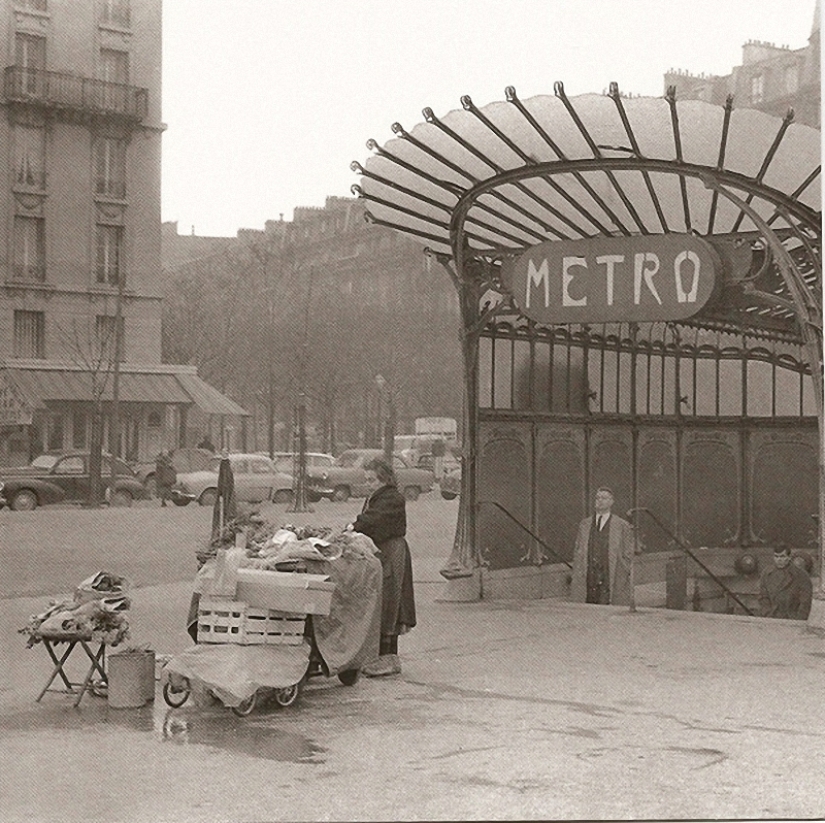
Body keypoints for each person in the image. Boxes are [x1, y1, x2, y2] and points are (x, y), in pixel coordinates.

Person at [351, 457, 416, 677]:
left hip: (391, 552)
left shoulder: (392, 498)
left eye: (372, 480)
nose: (368, 483)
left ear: (384, 479)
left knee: (391, 601)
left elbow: (373, 521)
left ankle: (388, 658)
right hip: (381, 551)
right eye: (367, 479)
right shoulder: (378, 496)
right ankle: (379, 657)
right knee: (382, 601)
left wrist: (352, 527)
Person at [570, 487, 636, 606]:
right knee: (588, 607)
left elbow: (628, 553)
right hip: (589, 575)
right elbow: (578, 550)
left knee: (607, 608)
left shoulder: (621, 525)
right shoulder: (585, 524)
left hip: (610, 574)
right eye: (597, 498)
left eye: (604, 498)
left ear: (611, 502)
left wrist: (623, 570)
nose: (599, 500)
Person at [759, 544, 812, 620]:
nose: (779, 560)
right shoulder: (767, 573)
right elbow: (763, 596)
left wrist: (799, 619)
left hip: (792, 618)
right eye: (776, 556)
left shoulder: (801, 575)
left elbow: (805, 601)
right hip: (771, 617)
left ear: (789, 557)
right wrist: (766, 613)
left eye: (782, 556)